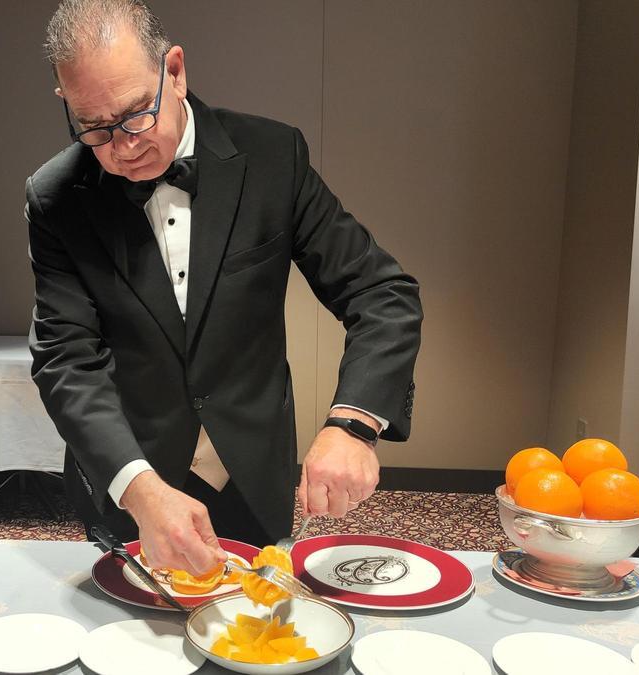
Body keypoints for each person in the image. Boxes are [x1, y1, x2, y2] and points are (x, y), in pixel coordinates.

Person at [27, 0, 422, 576]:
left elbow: (380, 293)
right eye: (94, 127)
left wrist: (354, 422)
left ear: (176, 71)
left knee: (259, 635)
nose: (124, 146)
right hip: (132, 475)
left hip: (252, 467)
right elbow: (65, 359)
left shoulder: (271, 157)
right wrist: (138, 489)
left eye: (137, 114)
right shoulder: (55, 195)